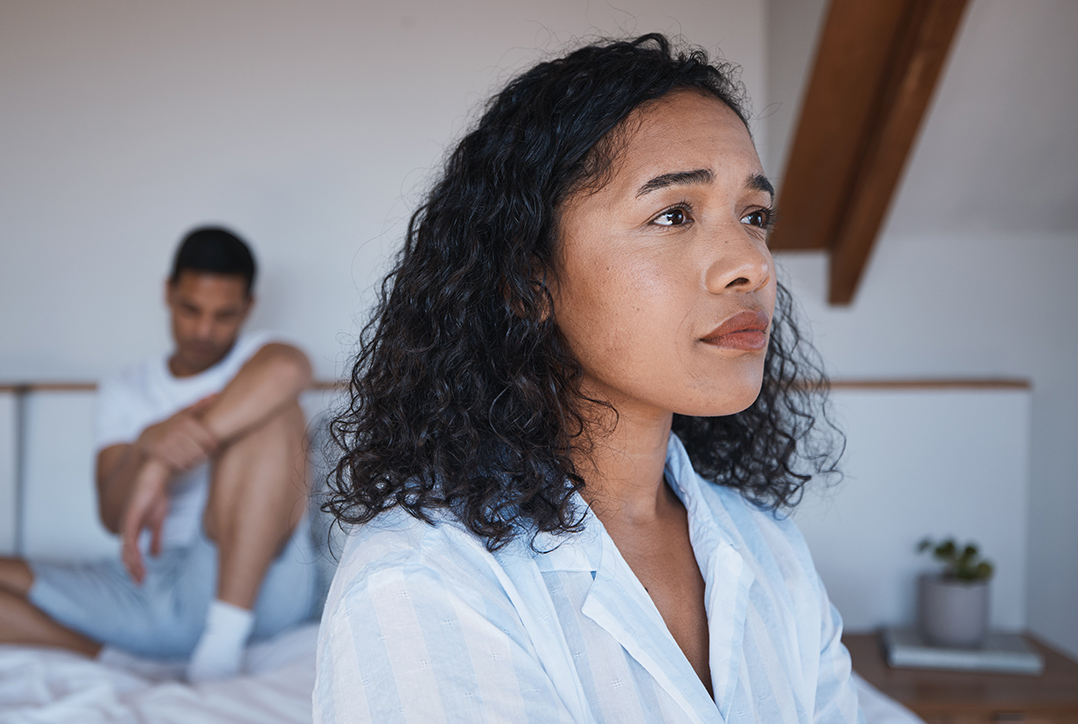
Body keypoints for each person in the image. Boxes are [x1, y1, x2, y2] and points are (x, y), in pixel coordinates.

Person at [315, 34, 861, 722]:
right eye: (673, 214)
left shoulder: (769, 548)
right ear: (527, 280)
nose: (751, 265)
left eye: (754, 216)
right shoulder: (422, 579)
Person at [0, 227, 318, 683]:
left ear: (248, 307)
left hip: (248, 586)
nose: (204, 330)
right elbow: (111, 516)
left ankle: (221, 645)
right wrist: (148, 446)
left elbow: (290, 368)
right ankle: (118, 665)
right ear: (168, 293)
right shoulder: (126, 389)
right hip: (145, 589)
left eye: (224, 315)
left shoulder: (257, 357)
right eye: (190, 309)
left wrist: (165, 463)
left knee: (277, 414)